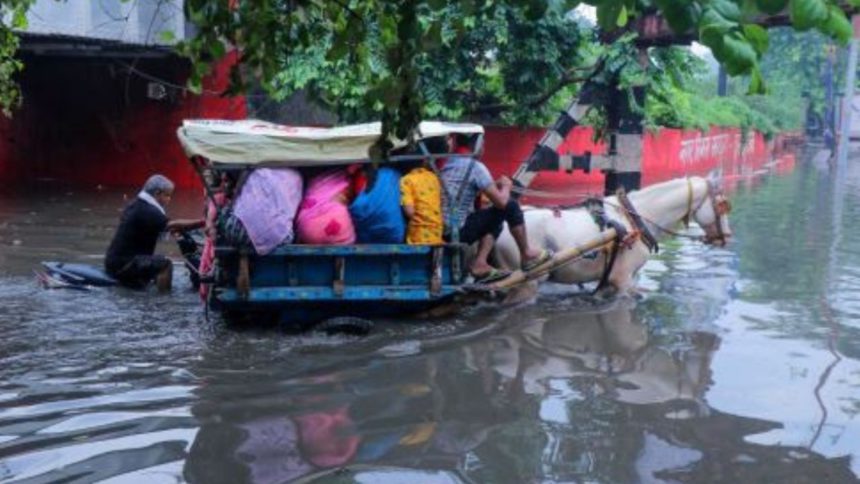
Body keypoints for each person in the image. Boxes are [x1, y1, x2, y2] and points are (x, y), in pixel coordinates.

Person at [440, 134, 551, 282]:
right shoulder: (476, 167)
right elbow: (502, 203)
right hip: (456, 232)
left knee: (494, 219)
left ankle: (480, 262)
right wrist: (506, 186)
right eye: (483, 145)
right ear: (478, 144)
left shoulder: (448, 163)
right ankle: (526, 253)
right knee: (510, 206)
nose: (484, 149)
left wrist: (495, 184)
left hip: (440, 228)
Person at [104, 174, 204, 292]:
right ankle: (163, 300)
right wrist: (203, 222)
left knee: (156, 260)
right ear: (157, 193)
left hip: (115, 262)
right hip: (123, 265)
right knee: (165, 265)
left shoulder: (137, 204)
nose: (169, 199)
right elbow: (171, 224)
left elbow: (164, 226)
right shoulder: (147, 210)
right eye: (167, 195)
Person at [400, 159, 443, 245]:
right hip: (437, 234)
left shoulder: (406, 180)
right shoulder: (433, 177)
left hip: (419, 236)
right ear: (424, 162)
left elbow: (410, 212)